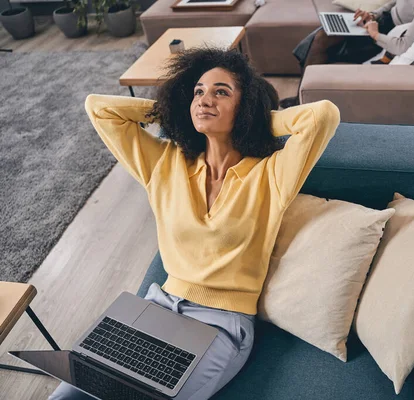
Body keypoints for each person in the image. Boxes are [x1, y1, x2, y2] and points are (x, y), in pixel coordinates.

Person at [48, 47, 341, 399]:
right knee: (67, 394)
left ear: (244, 106)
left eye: (221, 92)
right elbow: (100, 108)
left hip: (222, 324)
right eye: (198, 91)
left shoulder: (271, 174)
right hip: (156, 307)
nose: (205, 99)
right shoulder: (165, 162)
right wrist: (175, 113)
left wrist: (262, 117)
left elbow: (323, 116)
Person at [279, 0, 414, 108]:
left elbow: (404, 46)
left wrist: (375, 35)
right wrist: (374, 15)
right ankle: (302, 97)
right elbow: (395, 5)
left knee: (321, 42)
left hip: (385, 37)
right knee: (322, 34)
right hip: (379, 23)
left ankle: (302, 101)